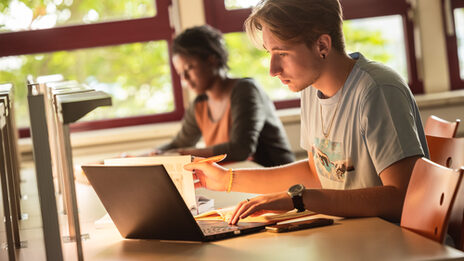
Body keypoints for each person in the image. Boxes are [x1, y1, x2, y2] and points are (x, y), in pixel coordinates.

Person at [184, 0, 429, 225]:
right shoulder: (312, 90)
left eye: (282, 53)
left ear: (322, 45)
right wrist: (227, 179)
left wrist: (299, 199)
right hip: (353, 235)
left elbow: (401, 197)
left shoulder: (377, 90)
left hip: (395, 243)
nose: (273, 69)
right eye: (270, 54)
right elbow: (315, 173)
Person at [153, 25, 295, 167]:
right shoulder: (199, 104)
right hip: (238, 183)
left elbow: (241, 149)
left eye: (189, 68)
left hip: (279, 181)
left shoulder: (245, 90)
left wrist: (182, 154)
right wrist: (155, 153)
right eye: (180, 73)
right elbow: (179, 143)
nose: (184, 79)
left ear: (212, 59)